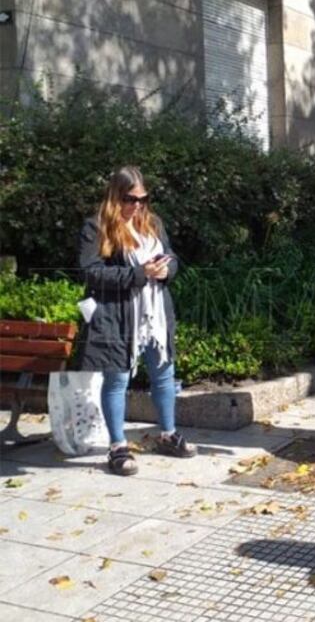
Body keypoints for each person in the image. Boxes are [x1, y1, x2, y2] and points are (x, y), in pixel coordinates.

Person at [77, 166, 196, 476]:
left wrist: (165, 270)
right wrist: (138, 274)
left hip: (155, 312)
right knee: (117, 379)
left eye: (144, 199)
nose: (138, 206)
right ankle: (117, 447)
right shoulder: (97, 227)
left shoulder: (152, 223)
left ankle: (168, 434)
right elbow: (90, 272)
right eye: (131, 199)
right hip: (117, 314)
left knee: (164, 373)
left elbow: (171, 256)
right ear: (117, 197)